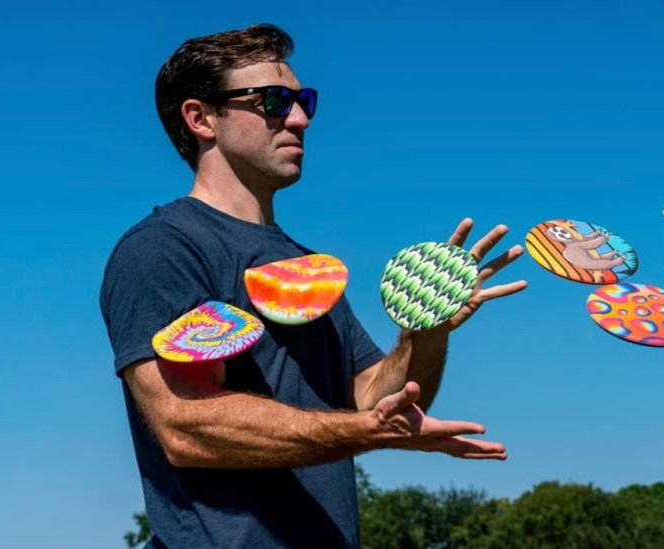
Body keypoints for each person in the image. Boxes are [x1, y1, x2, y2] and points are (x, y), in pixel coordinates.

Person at [100, 23, 526, 548]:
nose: (299, 119)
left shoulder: (307, 267)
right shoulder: (163, 248)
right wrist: (363, 433)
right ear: (201, 117)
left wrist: (427, 332)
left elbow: (373, 397)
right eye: (274, 101)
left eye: (304, 100)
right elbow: (186, 425)